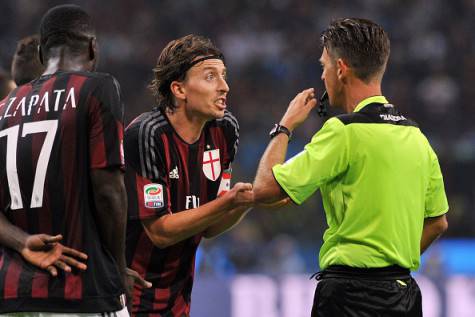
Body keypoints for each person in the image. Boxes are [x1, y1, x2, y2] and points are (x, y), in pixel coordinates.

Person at [252, 18, 449, 316]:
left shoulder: (343, 131)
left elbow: (264, 189)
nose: (322, 76)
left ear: (341, 69)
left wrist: (284, 126)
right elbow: (438, 222)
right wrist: (390, 261)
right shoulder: (416, 137)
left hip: (349, 296)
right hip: (403, 294)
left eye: (324, 66)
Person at [0, 4, 131, 315]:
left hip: (14, 294)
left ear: (43, 54)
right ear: (92, 47)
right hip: (82, 289)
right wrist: (119, 268)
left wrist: (23, 241)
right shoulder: (97, 88)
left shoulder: (3, 108)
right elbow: (109, 192)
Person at [125, 34, 253, 316]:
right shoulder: (147, 134)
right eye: (210, 77)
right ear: (179, 89)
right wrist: (229, 202)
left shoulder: (225, 129)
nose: (224, 87)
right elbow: (159, 232)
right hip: (127, 297)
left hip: (178, 299)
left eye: (223, 76)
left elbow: (208, 226)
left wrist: (247, 202)